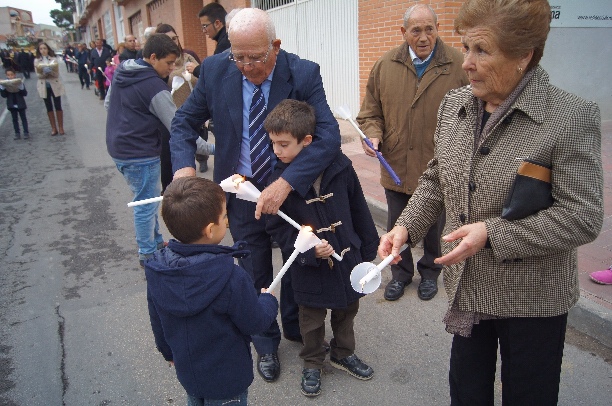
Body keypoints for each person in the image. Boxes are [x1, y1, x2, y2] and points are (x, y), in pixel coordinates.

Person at [377, 0, 603, 404]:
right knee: (467, 392)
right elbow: (434, 178)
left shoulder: (570, 116)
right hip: (468, 288)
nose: (466, 62)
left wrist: (491, 233)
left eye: (481, 50)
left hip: (533, 297)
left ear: (524, 55)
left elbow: (582, 216)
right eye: (465, 47)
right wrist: (405, 227)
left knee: (528, 395)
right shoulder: (456, 106)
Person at [170, 8, 341, 383]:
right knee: (252, 270)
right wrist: (184, 168)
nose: (246, 66)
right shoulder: (216, 70)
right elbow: (184, 122)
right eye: (239, 56)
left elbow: (328, 136)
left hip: (289, 193)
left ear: (275, 47)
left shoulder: (303, 73)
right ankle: (265, 341)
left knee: (297, 262)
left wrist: (286, 183)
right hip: (240, 191)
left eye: (256, 57)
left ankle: (296, 327)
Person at [264, 100, 378, 397]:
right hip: (308, 265)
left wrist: (368, 247)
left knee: (347, 308)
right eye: (273, 143)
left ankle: (342, 352)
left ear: (308, 142)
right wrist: (307, 250)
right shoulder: (277, 181)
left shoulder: (340, 166)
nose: (276, 150)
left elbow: (358, 207)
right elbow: (276, 228)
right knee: (311, 318)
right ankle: (312, 362)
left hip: (345, 255)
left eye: (284, 144)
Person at [357, 4, 469, 302]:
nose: (423, 36)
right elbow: (370, 112)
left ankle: (430, 272)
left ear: (437, 29)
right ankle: (401, 274)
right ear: (403, 32)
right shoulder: (384, 65)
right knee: (397, 225)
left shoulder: (458, 64)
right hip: (395, 163)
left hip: (439, 163)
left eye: (429, 28)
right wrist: (373, 135)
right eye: (416, 30)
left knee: (434, 226)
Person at [145, 176, 279, 405]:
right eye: (224, 216)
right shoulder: (230, 277)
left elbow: (156, 318)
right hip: (228, 377)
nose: (227, 221)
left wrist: (168, 352)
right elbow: (254, 323)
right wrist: (267, 300)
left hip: (188, 371)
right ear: (209, 229)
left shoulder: (159, 270)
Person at [105, 34, 181, 266]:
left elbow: (109, 103)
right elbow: (177, 127)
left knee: (147, 199)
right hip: (140, 151)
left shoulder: (124, 70)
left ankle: (156, 243)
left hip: (119, 146)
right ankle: (148, 254)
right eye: (168, 63)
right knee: (145, 204)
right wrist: (213, 148)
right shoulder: (154, 87)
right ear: (153, 57)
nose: (170, 69)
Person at [155, 23, 200, 192]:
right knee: (171, 161)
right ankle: (172, 198)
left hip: (193, 112)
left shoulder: (189, 56)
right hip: (169, 118)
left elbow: (204, 78)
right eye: (168, 39)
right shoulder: (160, 66)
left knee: (193, 153)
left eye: (175, 38)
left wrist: (195, 71)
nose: (173, 42)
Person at [34, 42, 66, 136]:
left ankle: (60, 127)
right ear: (39, 50)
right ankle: (53, 127)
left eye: (45, 48)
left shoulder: (53, 59)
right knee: (49, 106)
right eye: (41, 49)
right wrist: (44, 73)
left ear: (48, 49)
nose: (43, 50)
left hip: (54, 84)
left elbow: (57, 74)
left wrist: (50, 71)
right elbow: (38, 75)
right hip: (44, 85)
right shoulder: (37, 60)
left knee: (58, 105)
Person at [0, 68, 29, 139]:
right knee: (14, 119)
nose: (10, 76)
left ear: (14, 75)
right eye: (8, 75)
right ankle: (17, 133)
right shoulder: (5, 83)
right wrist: (2, 88)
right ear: (6, 75)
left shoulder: (18, 82)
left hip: (20, 103)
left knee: (23, 118)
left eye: (12, 75)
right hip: (11, 104)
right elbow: (4, 95)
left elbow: (25, 93)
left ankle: (26, 132)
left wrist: (21, 87)